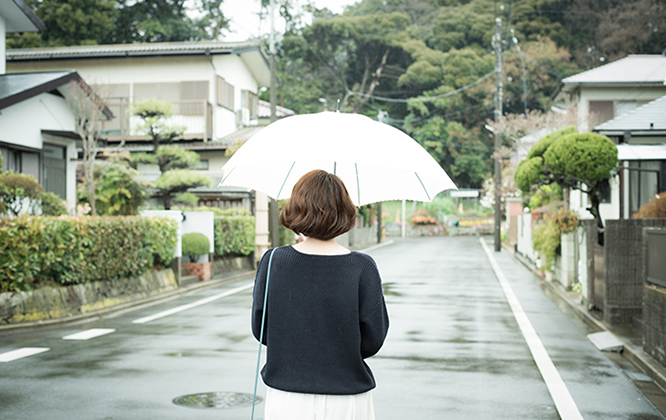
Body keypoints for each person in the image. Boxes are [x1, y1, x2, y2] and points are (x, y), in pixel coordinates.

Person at [252, 169, 390, 420]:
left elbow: (261, 329)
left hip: (286, 395)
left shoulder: (273, 261)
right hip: (347, 397)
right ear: (344, 212)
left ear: (296, 208)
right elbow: (373, 338)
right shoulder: (362, 267)